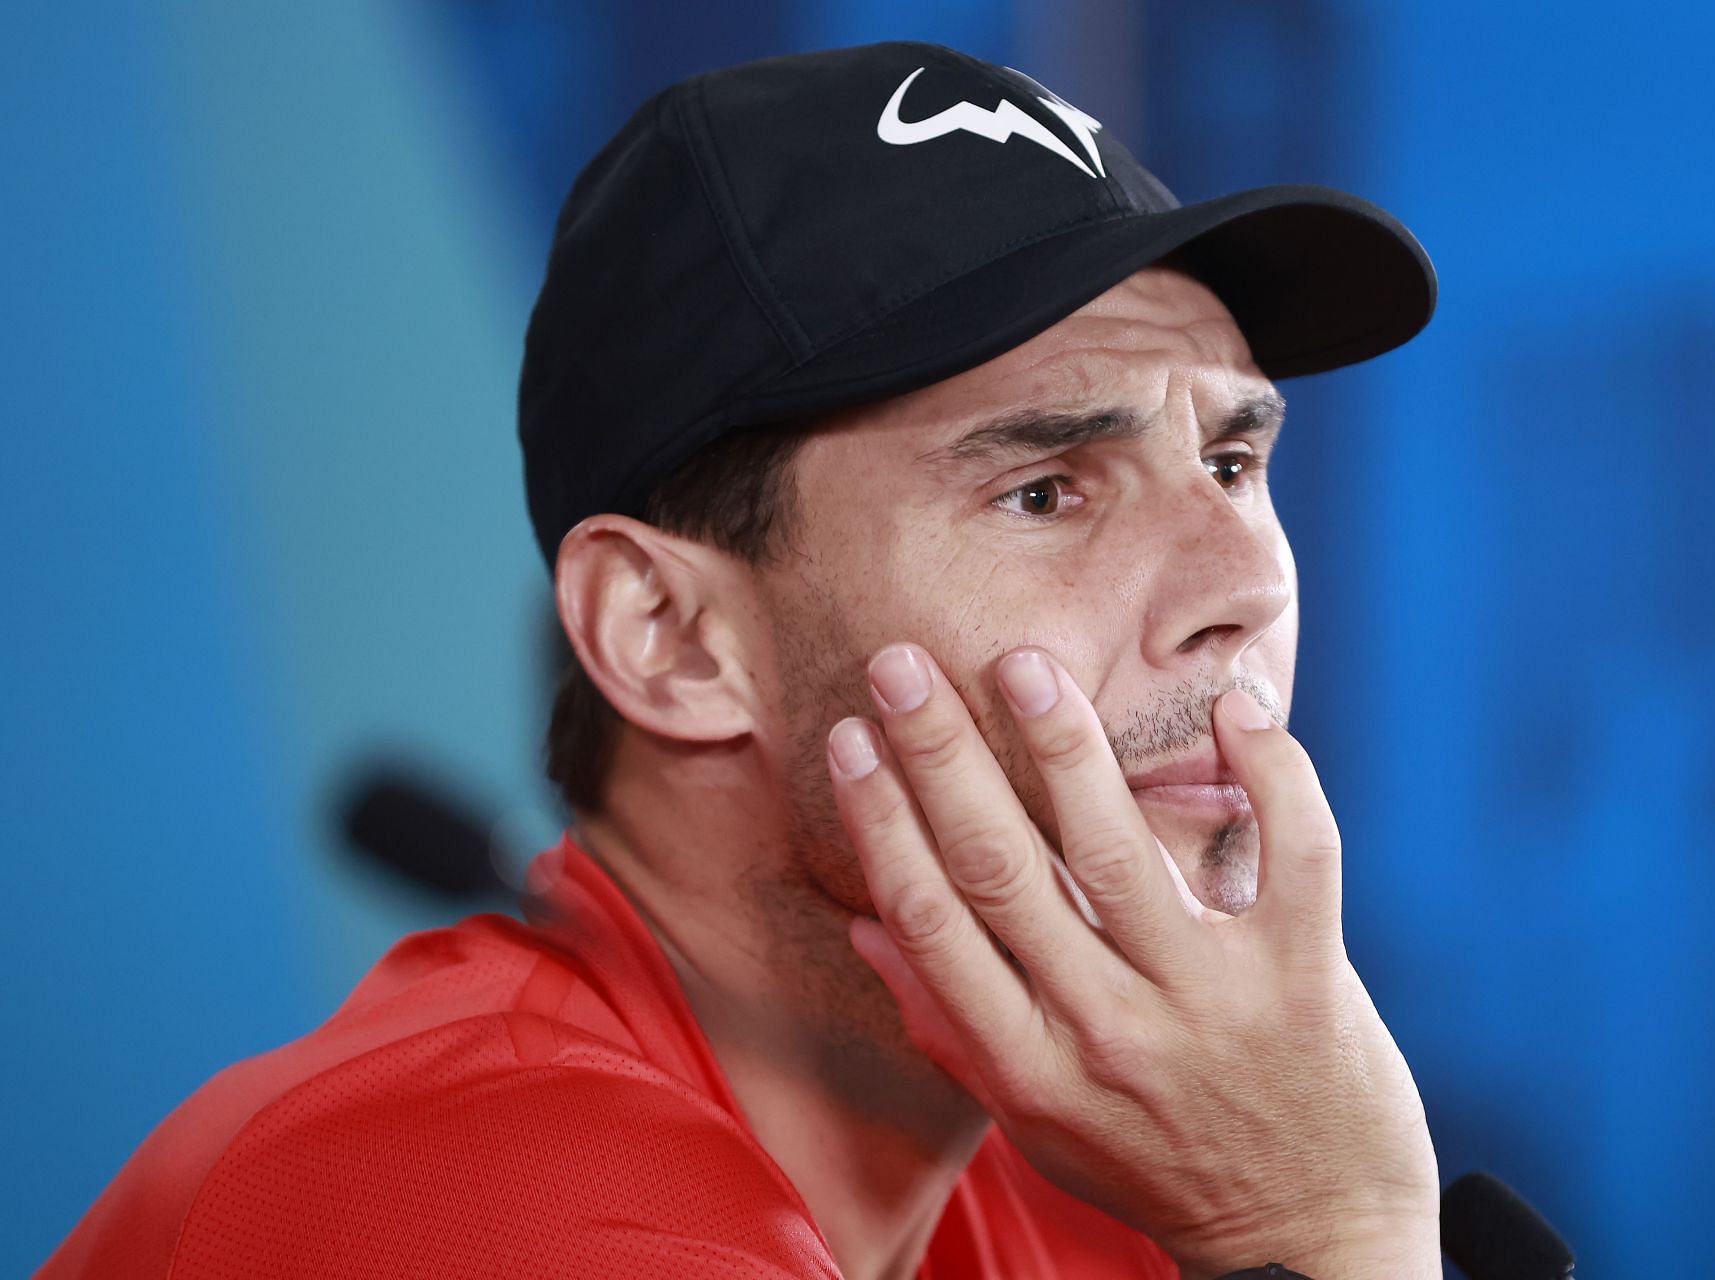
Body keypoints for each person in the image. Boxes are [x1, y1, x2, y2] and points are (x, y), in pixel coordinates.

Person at [42, 41, 1441, 1280]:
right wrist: (1338, 1235)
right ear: (668, 639)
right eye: (1045, 491)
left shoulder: (1095, 1194)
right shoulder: (481, 1203)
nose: (1247, 585)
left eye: (1233, 459)